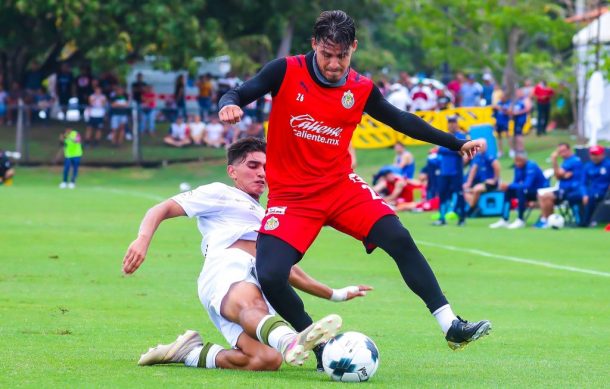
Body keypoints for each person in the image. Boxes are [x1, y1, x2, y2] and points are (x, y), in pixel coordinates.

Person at [218, 10, 490, 352]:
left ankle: (450, 323)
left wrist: (457, 142)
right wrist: (229, 104)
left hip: (340, 188)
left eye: (342, 56)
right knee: (270, 274)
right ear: (314, 44)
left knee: (399, 237)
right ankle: (319, 346)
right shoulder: (285, 71)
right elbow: (241, 92)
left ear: (354, 48)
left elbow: (401, 119)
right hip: (293, 198)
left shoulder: (360, 88)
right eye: (327, 55)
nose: (334, 64)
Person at [123, 138, 366, 371]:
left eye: (266, 167)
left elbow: (287, 271)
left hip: (256, 280)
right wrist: (142, 240)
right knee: (254, 307)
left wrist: (337, 294)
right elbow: (161, 208)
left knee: (266, 360)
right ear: (232, 172)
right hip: (227, 269)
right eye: (253, 165)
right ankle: (288, 340)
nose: (262, 173)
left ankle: (188, 352)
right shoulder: (220, 193)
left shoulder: (268, 216)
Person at [489, 152, 546, 229]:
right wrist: (507, 187)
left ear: (525, 160)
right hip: (526, 191)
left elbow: (527, 184)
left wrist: (509, 185)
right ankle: (504, 219)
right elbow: (516, 182)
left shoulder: (531, 166)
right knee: (508, 191)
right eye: (516, 161)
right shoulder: (517, 167)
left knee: (520, 190)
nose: (517, 163)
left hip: (539, 191)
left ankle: (520, 220)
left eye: (519, 161)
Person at [537, 143, 584, 228]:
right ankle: (545, 219)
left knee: (547, 196)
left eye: (564, 151)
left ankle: (547, 220)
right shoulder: (566, 161)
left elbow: (558, 174)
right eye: (560, 152)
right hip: (563, 189)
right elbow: (558, 176)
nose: (562, 154)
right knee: (541, 195)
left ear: (569, 150)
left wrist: (554, 160)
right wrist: (563, 174)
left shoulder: (573, 160)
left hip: (571, 190)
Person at [434, 116, 468, 226]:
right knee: (443, 194)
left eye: (453, 122)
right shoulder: (444, 136)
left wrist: (454, 147)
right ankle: (442, 218)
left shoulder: (460, 136)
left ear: (457, 124)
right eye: (450, 122)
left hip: (456, 172)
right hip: (444, 171)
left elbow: (462, 153)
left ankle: (462, 218)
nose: (451, 124)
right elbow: (438, 150)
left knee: (459, 194)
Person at [463, 139, 500, 215]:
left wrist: (495, 180)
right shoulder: (478, 157)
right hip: (482, 182)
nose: (481, 147)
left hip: (489, 183)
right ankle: (475, 207)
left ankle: (471, 209)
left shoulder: (489, 156)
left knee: (476, 189)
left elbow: (497, 167)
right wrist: (468, 183)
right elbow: (473, 170)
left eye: (482, 145)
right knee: (464, 190)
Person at [581, 145, 610, 227]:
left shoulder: (608, 165)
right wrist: (584, 194)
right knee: (573, 196)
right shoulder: (587, 166)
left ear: (602, 154)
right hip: (590, 192)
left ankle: (588, 222)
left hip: (605, 192)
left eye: (596, 154)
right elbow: (583, 183)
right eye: (592, 154)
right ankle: (582, 221)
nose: (594, 157)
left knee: (593, 197)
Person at [510, 88, 530, 156]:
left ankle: (522, 149)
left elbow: (527, 109)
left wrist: (518, 113)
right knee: (516, 135)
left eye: (518, 92)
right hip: (516, 120)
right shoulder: (517, 100)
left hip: (521, 119)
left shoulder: (525, 99)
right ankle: (518, 149)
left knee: (519, 135)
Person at [493, 92, 511, 158]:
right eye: (501, 97)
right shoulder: (498, 103)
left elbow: (509, 112)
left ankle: (511, 150)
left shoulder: (508, 103)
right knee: (499, 137)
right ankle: (500, 151)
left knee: (508, 135)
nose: (502, 98)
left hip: (505, 122)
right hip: (498, 122)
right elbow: (495, 113)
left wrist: (501, 108)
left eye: (503, 97)